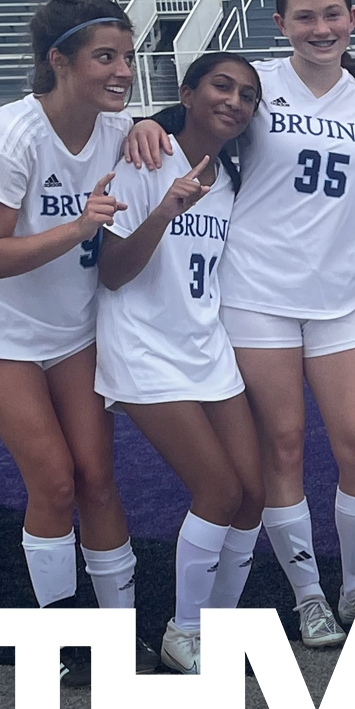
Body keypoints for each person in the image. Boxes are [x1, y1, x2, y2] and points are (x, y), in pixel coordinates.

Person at [128, 0, 355, 647]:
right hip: (257, 295)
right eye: (305, 17)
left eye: (332, 14)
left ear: (353, 18)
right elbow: (189, 114)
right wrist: (141, 118)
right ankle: (309, 595)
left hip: (341, 297)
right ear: (280, 24)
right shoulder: (257, 85)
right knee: (282, 446)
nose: (321, 28)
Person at [0, 0, 152, 682]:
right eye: (105, 57)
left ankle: (120, 634)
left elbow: (160, 132)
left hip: (70, 328)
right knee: (55, 481)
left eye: (127, 56)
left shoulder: (115, 127)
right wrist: (77, 227)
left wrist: (152, 126)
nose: (122, 70)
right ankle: (62, 644)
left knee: (98, 478)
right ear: (58, 60)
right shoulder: (13, 134)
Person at [96, 53, 265, 672]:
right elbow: (112, 275)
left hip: (205, 346)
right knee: (217, 489)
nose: (234, 101)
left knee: (254, 494)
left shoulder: (231, 175)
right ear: (187, 93)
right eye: (222, 86)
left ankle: (217, 627)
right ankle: (183, 631)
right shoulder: (145, 158)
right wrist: (167, 208)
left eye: (247, 95)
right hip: (143, 347)